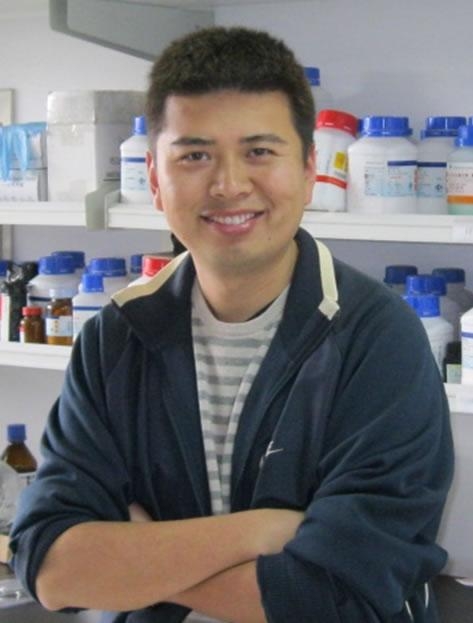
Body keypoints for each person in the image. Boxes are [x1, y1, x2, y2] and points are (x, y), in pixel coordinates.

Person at [10, 26, 453, 623]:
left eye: (259, 152)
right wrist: (260, 532)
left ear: (308, 169)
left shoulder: (377, 339)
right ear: (155, 179)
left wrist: (138, 561)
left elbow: (336, 594)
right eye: (195, 155)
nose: (228, 185)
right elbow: (51, 566)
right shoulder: (115, 338)